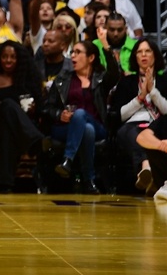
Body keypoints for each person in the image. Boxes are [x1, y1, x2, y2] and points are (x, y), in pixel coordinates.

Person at [43, 38, 121, 194]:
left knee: (80, 115)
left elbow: (114, 73)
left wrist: (106, 45)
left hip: (98, 125)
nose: (73, 56)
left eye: (78, 52)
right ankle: (89, 181)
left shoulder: (100, 79)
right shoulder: (63, 79)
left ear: (91, 58)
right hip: (65, 127)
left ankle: (68, 159)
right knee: (87, 130)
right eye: (72, 52)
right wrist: (59, 114)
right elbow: (47, 108)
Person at [0, 40, 44, 192]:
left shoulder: (27, 79)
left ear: (19, 59)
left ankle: (3, 182)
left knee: (9, 131)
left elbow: (39, 108)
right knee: (7, 104)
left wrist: (33, 109)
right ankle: (35, 139)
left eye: (13, 57)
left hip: (16, 128)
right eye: (4, 56)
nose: (8, 60)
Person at [109, 36, 167, 194]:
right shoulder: (126, 82)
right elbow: (120, 115)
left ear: (155, 55)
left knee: (152, 133)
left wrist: (153, 92)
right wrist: (140, 97)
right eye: (139, 52)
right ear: (135, 57)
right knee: (129, 132)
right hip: (133, 126)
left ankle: (148, 173)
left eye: (148, 51)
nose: (144, 55)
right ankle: (146, 166)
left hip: (159, 124)